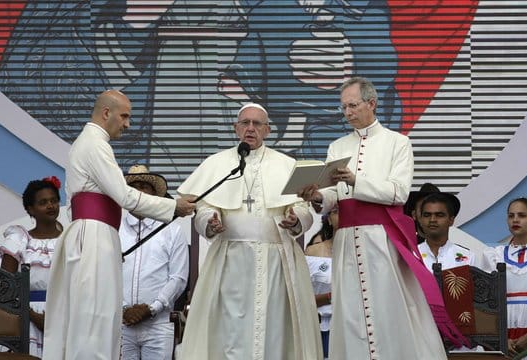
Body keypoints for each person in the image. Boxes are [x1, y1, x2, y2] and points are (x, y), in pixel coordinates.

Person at [298, 77, 463, 359]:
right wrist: (316, 196)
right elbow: (332, 196)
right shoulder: (337, 146)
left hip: (383, 240)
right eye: (343, 107)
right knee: (350, 309)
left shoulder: (397, 143)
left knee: (388, 307)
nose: (347, 112)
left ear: (371, 103)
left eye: (352, 105)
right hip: (347, 241)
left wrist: (355, 179)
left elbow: (398, 193)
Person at [42, 90, 196, 360]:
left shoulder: (90, 142)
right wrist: (174, 207)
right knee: (94, 318)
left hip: (94, 235)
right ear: (106, 113)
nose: (127, 124)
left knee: (96, 317)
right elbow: (125, 196)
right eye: (124, 116)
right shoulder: (95, 143)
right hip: (93, 237)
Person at [177, 103, 323, 359]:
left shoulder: (286, 164)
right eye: (245, 123)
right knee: (229, 330)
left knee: (275, 329)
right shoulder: (217, 164)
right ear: (236, 129)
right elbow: (202, 208)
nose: (250, 128)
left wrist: (296, 220)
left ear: (267, 130)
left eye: (257, 124)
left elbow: (302, 208)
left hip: (276, 264)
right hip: (230, 262)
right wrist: (209, 221)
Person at [119, 165, 189, 360]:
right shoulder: (113, 229)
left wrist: (151, 308)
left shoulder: (171, 230)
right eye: (134, 187)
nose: (140, 192)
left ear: (153, 194)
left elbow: (178, 278)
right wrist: (125, 309)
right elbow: (106, 276)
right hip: (121, 323)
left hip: (158, 325)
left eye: (145, 187)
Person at [479, 197, 527, 359]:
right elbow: (486, 304)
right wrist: (501, 339)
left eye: (522, 215)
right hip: (503, 330)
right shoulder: (494, 255)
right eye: (511, 215)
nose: (515, 219)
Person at [0, 176, 63, 356]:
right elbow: (5, 286)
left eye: (54, 201)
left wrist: (56, 317)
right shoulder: (19, 239)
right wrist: (34, 317)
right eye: (43, 202)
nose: (50, 206)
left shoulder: (70, 240)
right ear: (30, 209)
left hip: (63, 316)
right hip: (26, 317)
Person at [305, 207, 338, 359]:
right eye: (336, 211)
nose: (343, 216)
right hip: (320, 327)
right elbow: (301, 298)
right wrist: (333, 296)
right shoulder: (313, 252)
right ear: (329, 219)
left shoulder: (365, 253)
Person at [417, 192, 474, 272]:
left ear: (451, 220)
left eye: (439, 215)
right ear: (420, 220)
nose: (432, 220)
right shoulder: (412, 255)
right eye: (427, 215)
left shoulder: (467, 257)